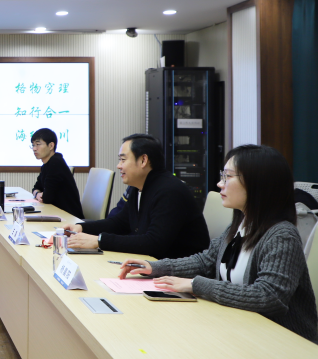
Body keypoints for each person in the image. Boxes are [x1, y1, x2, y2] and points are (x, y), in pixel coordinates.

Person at [120, 145, 318, 342]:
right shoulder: (241, 224)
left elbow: (269, 297)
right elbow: (206, 261)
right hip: (241, 330)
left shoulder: (282, 236)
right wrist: (155, 267)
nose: (220, 184)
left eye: (228, 177)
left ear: (257, 183)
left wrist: (196, 285)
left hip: (284, 342)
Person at [65, 133, 209, 260]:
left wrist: (99, 241)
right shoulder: (139, 186)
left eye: (123, 160)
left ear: (143, 160)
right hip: (152, 263)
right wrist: (81, 227)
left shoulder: (170, 191)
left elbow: (154, 243)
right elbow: (120, 223)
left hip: (179, 271)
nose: (119, 166)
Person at [29, 128, 83, 219]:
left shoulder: (56, 163)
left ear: (51, 146)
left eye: (38, 144)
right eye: (33, 145)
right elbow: (36, 188)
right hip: (57, 214)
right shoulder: (47, 165)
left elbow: (47, 198)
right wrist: (37, 194)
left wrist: (41, 194)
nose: (34, 149)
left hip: (69, 217)